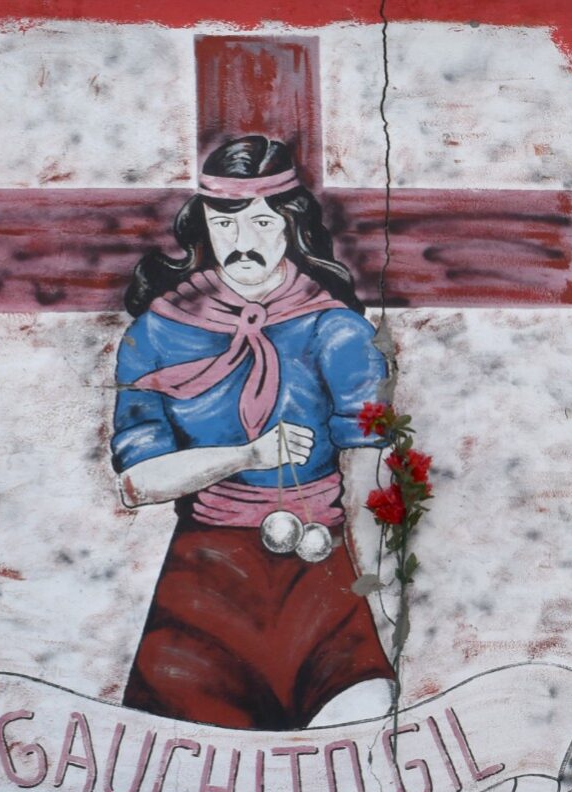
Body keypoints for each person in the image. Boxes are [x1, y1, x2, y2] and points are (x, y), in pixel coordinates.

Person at [110, 135, 394, 730]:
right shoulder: (155, 334)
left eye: (264, 223)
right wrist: (248, 454)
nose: (244, 243)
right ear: (203, 225)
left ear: (292, 225)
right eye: (226, 223)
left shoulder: (338, 331)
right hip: (206, 581)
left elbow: (367, 478)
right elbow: (137, 482)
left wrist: (379, 596)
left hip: (320, 575)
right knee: (181, 762)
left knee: (357, 736)